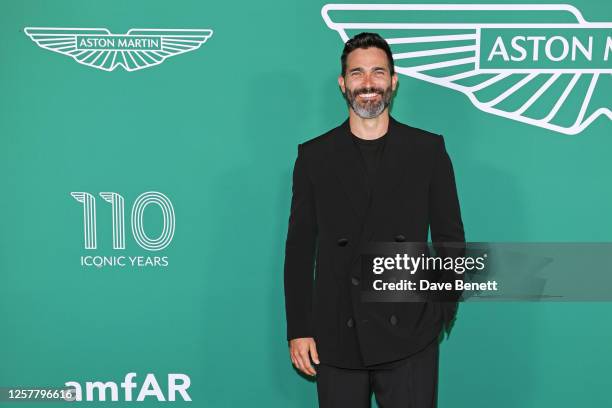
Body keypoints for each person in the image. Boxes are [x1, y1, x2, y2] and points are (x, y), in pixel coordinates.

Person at [283, 32, 465, 407]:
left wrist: (440, 310)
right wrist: (300, 329)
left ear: (393, 82)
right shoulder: (314, 156)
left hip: (410, 334)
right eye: (357, 73)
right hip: (336, 335)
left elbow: (450, 237)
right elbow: (300, 249)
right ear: (343, 83)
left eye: (378, 73)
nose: (368, 83)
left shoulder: (427, 150)